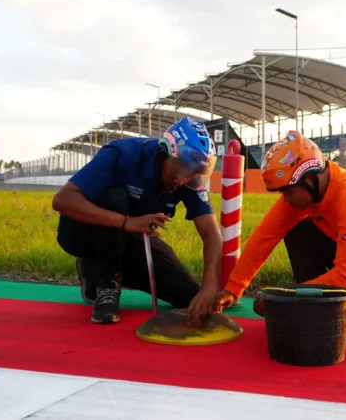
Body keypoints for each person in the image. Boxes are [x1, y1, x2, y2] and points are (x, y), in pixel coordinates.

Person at [210, 131, 346, 340]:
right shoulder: (307, 190)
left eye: (289, 191)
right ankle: (312, 301)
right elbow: (266, 235)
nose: (286, 199)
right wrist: (233, 289)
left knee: (337, 324)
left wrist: (289, 297)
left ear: (311, 180)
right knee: (297, 229)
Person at [52, 117, 222, 326]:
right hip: (84, 233)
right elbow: (62, 199)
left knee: (189, 296)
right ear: (165, 151)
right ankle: (106, 282)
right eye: (179, 169)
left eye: (193, 174)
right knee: (115, 197)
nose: (181, 179)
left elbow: (211, 233)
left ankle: (100, 267)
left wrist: (209, 286)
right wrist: (127, 222)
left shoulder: (189, 179)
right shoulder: (122, 154)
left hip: (131, 239)